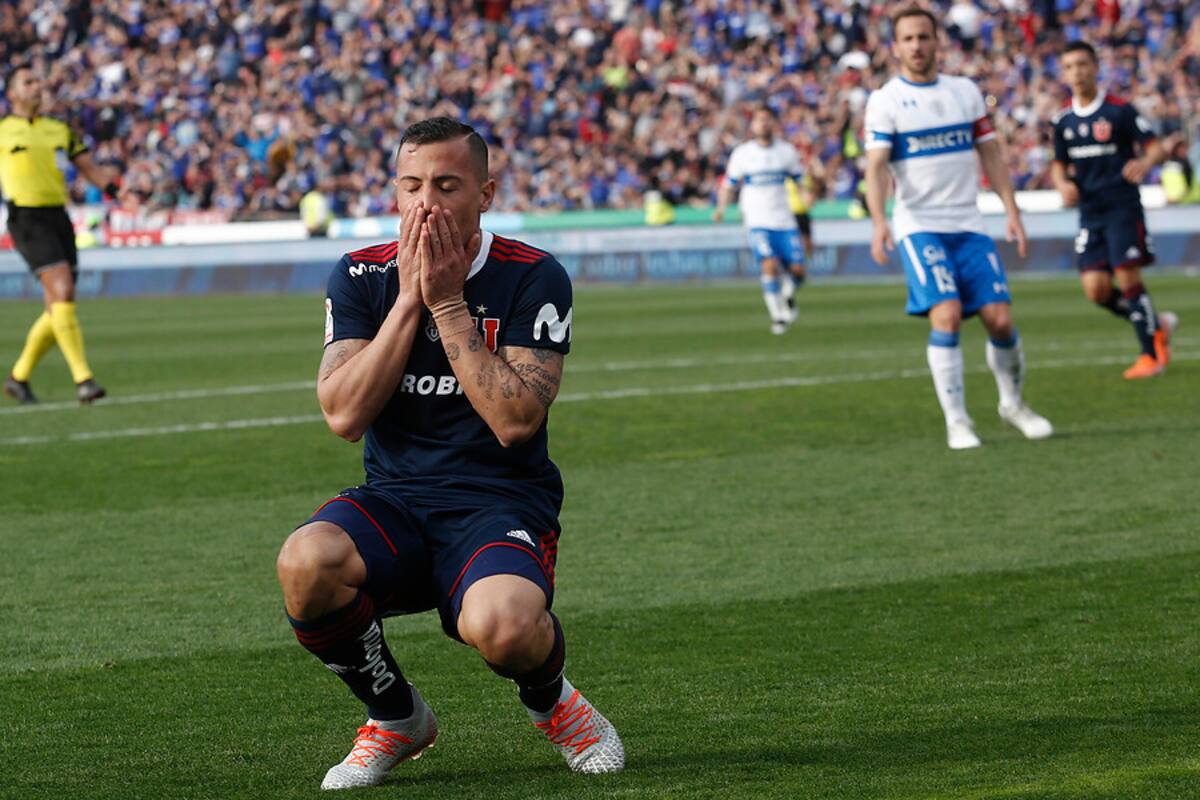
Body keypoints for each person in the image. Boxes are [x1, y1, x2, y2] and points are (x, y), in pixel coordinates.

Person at [275, 117, 624, 791]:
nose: (425, 204)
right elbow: (343, 415)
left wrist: (446, 304)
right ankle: (395, 717)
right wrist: (409, 300)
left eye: (445, 185)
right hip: (395, 501)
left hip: (498, 504)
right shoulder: (361, 274)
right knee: (305, 562)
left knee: (504, 627)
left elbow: (516, 421)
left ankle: (554, 703)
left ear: (485, 193)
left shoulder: (533, 275)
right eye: (410, 186)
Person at [865, 6, 1053, 450]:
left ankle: (1012, 405)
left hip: (969, 223)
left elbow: (991, 153)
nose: (916, 46)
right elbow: (875, 167)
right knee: (947, 314)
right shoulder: (886, 101)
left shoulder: (964, 92)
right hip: (919, 225)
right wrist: (879, 221)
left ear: (937, 42)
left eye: (923, 37)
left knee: (1000, 320)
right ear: (895, 48)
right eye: (907, 39)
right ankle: (958, 421)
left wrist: (1011, 209)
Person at [1050, 40, 1177, 379]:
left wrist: (1144, 162)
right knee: (1096, 290)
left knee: (1127, 274)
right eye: (1069, 67)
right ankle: (1157, 324)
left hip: (1122, 207)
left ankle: (1150, 355)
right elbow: (1058, 164)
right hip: (1090, 212)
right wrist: (1062, 184)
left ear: (1095, 68)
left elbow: (1155, 148)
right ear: (1064, 74)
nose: (1077, 72)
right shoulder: (1062, 120)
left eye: (1082, 64)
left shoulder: (1120, 111)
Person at [1, 64, 114, 405]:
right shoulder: (3, 131)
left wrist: (119, 190)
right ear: (13, 94)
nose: (37, 86)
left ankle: (18, 377)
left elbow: (88, 166)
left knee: (58, 304)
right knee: (63, 289)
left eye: (38, 80)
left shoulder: (58, 129)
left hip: (58, 218)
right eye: (28, 82)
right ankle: (84, 379)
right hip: (26, 217)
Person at [713, 107, 807, 335]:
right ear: (752, 125)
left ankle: (786, 295)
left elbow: (799, 180)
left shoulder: (786, 151)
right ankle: (778, 316)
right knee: (769, 263)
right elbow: (728, 184)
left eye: (767, 119)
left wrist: (807, 197)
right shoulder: (743, 154)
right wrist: (721, 208)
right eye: (759, 120)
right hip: (756, 218)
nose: (763, 124)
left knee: (797, 270)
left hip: (783, 218)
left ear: (773, 123)